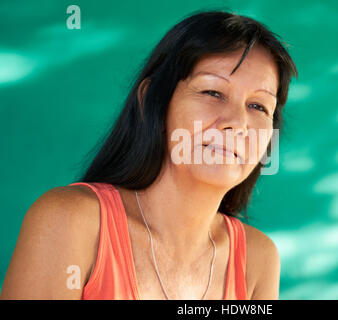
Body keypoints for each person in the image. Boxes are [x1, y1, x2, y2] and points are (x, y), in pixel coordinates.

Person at [0, 9, 298, 300]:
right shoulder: (69, 222)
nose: (238, 123)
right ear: (151, 99)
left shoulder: (257, 262)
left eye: (258, 106)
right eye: (212, 92)